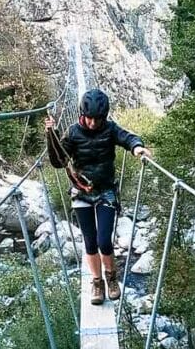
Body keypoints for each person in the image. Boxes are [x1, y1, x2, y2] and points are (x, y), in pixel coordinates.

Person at [45, 88, 152, 306]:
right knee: (90, 242)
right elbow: (58, 162)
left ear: (105, 117)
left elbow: (127, 137)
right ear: (82, 114)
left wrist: (137, 147)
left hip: (105, 191)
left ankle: (111, 278)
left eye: (98, 119)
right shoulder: (72, 132)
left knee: (104, 240)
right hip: (82, 192)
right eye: (90, 118)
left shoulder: (110, 128)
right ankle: (97, 282)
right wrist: (51, 135)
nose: (93, 123)